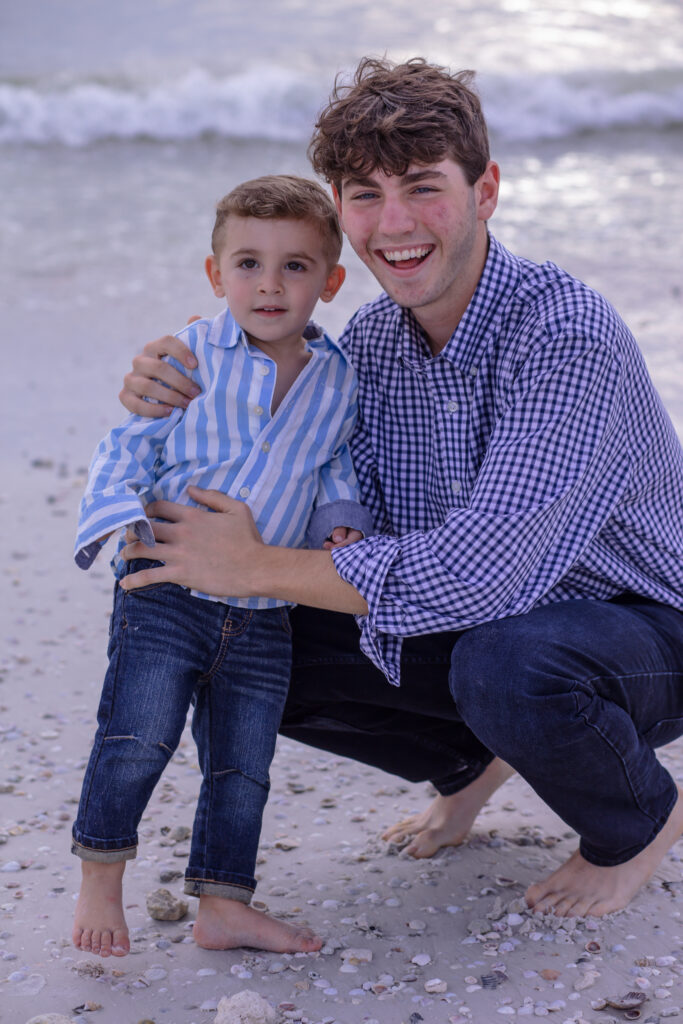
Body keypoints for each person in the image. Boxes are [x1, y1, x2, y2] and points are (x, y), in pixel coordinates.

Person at [117, 57, 683, 920]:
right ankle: (469, 763)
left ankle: (639, 819)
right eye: (364, 194)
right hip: (486, 626)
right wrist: (170, 389)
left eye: (422, 187)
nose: (394, 223)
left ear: (484, 189)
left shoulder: (563, 332)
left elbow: (477, 574)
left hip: (638, 627)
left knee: (509, 663)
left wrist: (255, 567)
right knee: (226, 635)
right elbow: (310, 497)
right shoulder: (373, 344)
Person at [71, 174, 373, 958]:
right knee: (136, 737)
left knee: (243, 765)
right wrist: (120, 520)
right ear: (216, 275)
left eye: (295, 267)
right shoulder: (190, 353)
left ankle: (223, 904)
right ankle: (101, 878)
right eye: (247, 263)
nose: (269, 283)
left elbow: (332, 466)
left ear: (331, 281)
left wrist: (341, 527)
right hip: (165, 587)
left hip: (265, 608)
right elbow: (129, 442)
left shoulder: (337, 381)